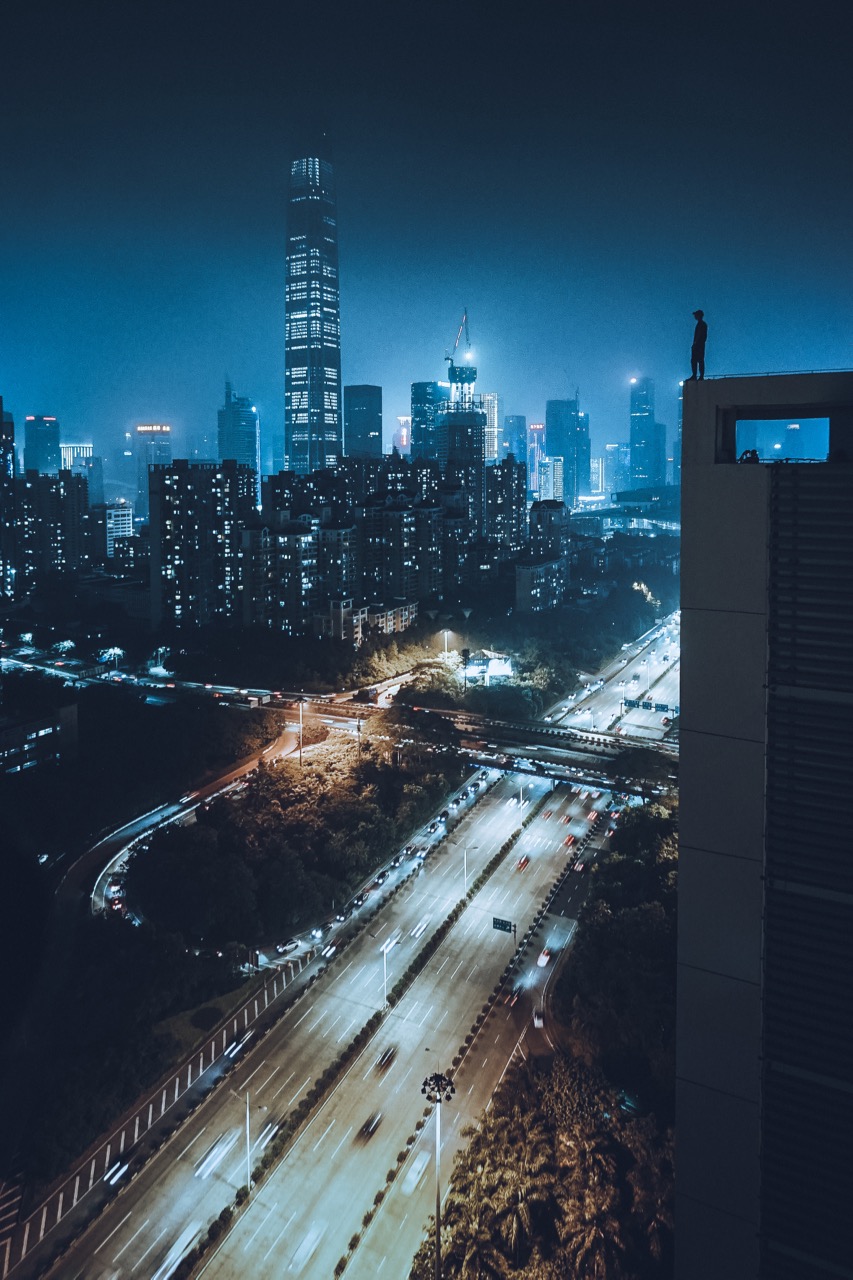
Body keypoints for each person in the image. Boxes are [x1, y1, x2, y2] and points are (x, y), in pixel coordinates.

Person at [688, 309, 707, 380]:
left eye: (696, 315)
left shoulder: (702, 324)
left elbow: (700, 336)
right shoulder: (701, 324)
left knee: (698, 360)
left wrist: (695, 344)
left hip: (699, 346)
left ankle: (698, 375)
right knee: (696, 360)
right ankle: (696, 375)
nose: (695, 316)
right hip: (699, 345)